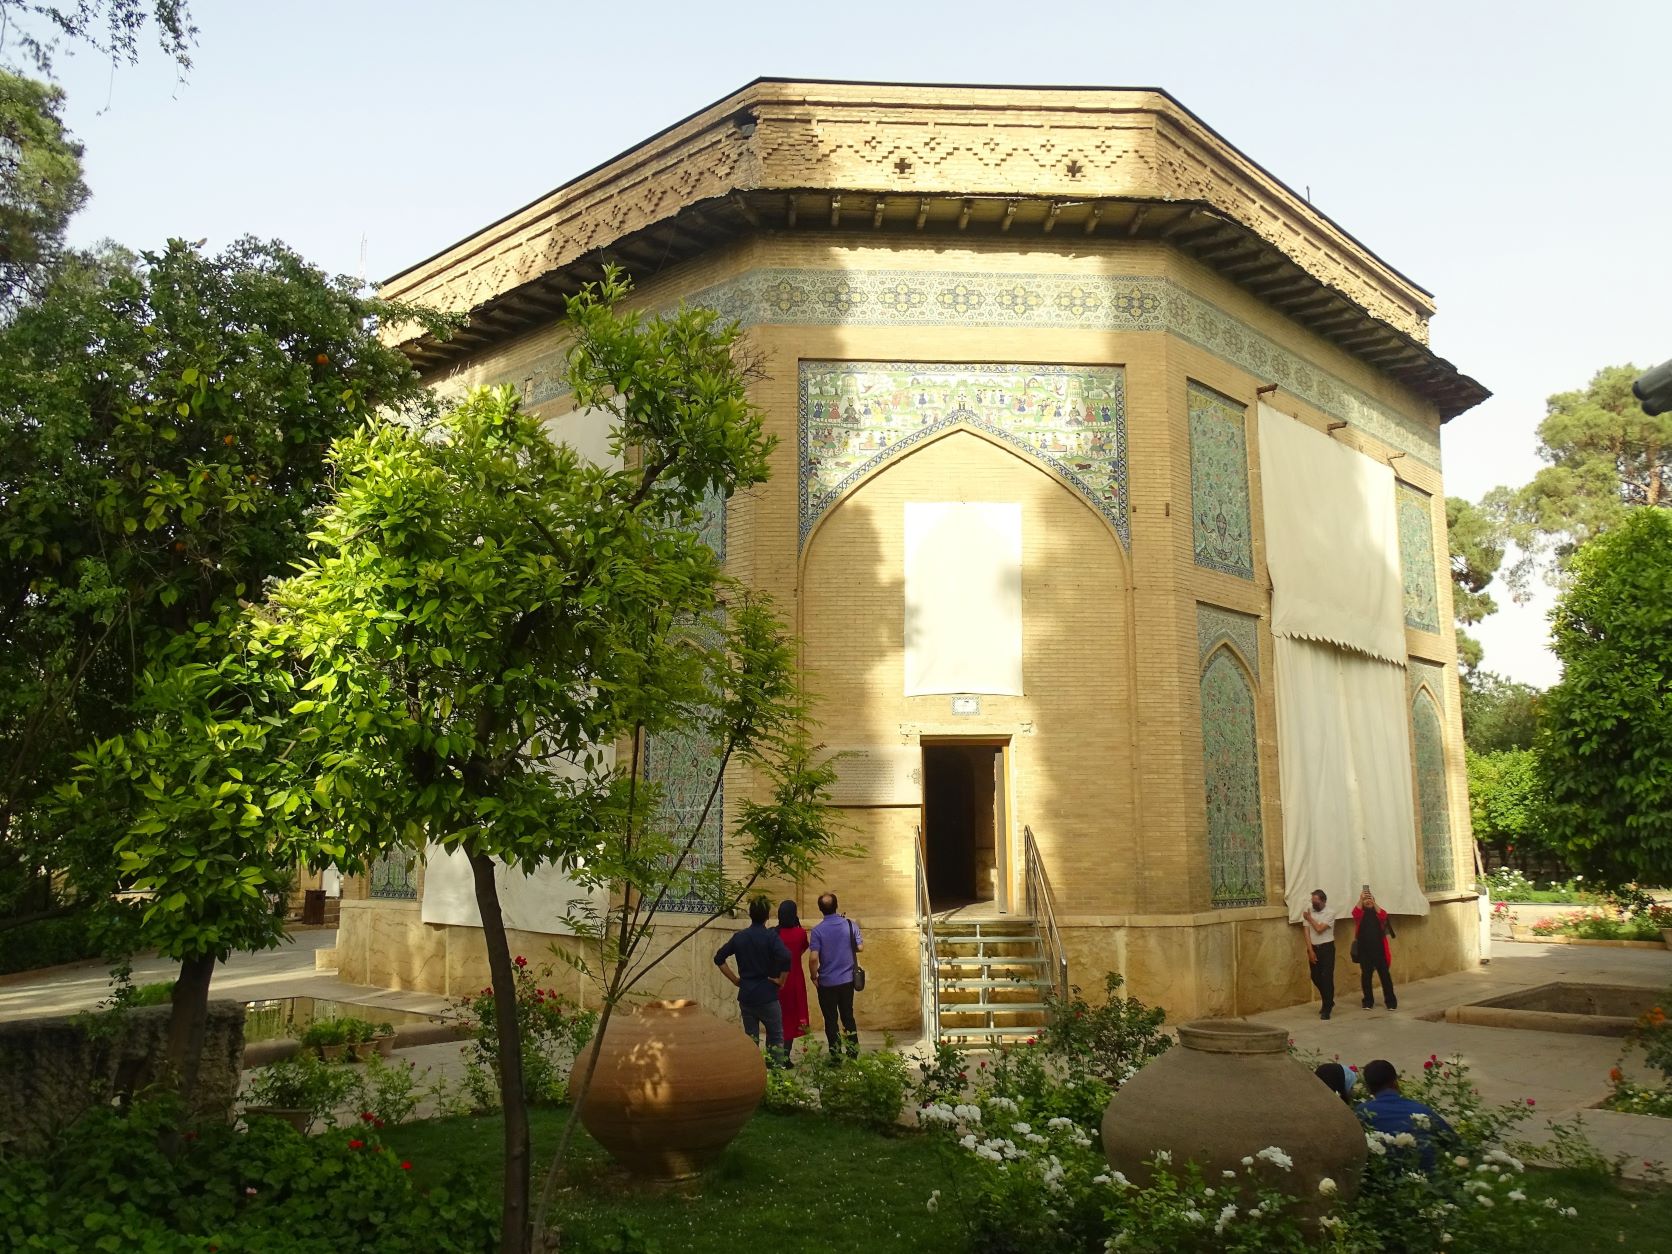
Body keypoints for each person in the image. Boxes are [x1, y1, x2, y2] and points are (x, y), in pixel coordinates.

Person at [713, 896, 792, 1066]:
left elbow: (719, 958)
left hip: (747, 995)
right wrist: (781, 980)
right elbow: (786, 956)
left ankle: (752, 1071)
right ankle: (776, 1076)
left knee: (751, 1038)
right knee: (776, 1035)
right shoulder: (770, 937)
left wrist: (735, 980)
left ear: (750, 914)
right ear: (767, 916)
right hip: (767, 994)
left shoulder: (739, 937)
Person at [1354, 1059, 1457, 1172]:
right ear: (1395, 1082)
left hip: (1383, 1181)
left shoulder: (1362, 1113)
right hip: (1429, 1181)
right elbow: (1454, 1143)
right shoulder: (1421, 1111)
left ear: (1368, 1088)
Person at [807, 891, 862, 1060]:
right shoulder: (850, 925)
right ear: (836, 906)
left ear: (820, 909)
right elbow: (860, 948)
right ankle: (853, 1054)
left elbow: (814, 957)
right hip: (847, 980)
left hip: (827, 983)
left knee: (830, 1020)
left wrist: (813, 976)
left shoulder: (817, 931)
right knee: (848, 1016)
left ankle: (836, 1056)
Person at [774, 899, 811, 1052]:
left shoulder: (774, 933)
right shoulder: (800, 933)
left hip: (777, 980)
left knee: (777, 1017)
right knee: (791, 1018)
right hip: (795, 979)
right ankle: (786, 1056)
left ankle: (775, 1054)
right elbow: (802, 949)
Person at [1352, 887, 1397, 1011]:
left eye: (1370, 899)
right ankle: (1368, 1001)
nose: (1368, 901)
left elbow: (1384, 914)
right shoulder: (1360, 915)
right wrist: (1361, 899)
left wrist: (1373, 902)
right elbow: (1355, 912)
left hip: (1379, 952)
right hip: (1365, 952)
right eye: (1366, 900)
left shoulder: (1378, 915)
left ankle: (1391, 1002)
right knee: (1366, 978)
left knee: (1385, 978)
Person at [1300, 887, 1337, 1020]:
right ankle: (1328, 999)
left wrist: (1310, 918)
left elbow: (1320, 929)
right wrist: (1310, 950)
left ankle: (1327, 1007)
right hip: (1314, 948)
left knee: (1327, 978)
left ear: (1323, 901)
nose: (1314, 904)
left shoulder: (1330, 912)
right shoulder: (1309, 911)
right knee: (1315, 977)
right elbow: (1306, 931)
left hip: (1327, 948)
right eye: (1312, 901)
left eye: (1316, 902)